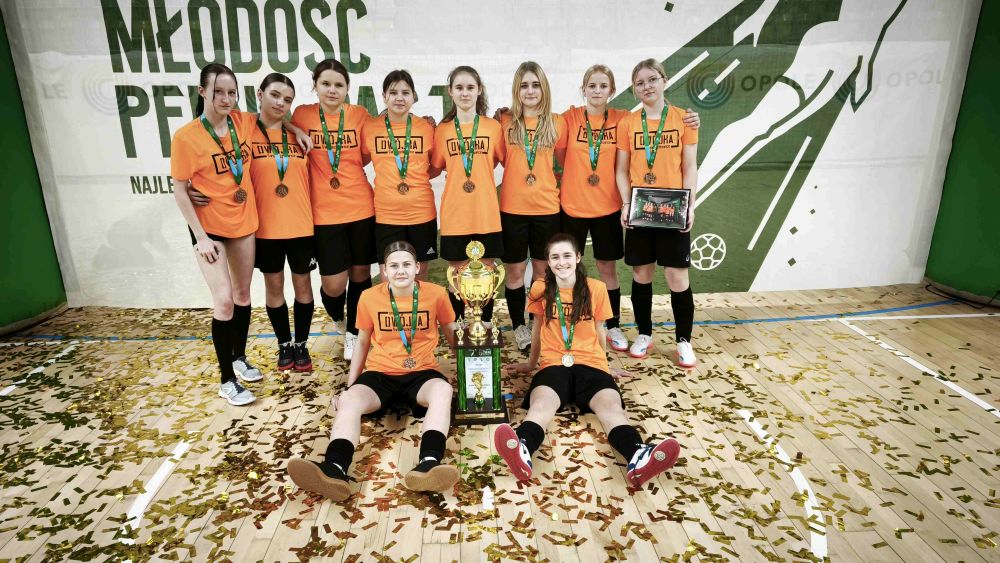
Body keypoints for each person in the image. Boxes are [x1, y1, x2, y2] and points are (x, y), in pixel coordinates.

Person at [494, 233, 680, 487]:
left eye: (567, 255)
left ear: (578, 257)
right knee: (540, 407)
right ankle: (522, 447)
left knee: (612, 410)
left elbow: (600, 330)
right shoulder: (540, 288)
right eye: (555, 257)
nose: (561, 262)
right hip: (554, 364)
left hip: (591, 364)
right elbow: (537, 329)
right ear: (548, 261)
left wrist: (605, 366)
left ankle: (638, 456)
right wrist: (531, 364)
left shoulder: (597, 288)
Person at [286, 241, 461, 500]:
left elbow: (453, 336)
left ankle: (429, 463)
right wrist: (350, 386)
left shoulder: (436, 294)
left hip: (422, 373)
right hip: (380, 374)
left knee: (443, 391)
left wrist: (469, 375)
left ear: (417, 267)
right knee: (349, 400)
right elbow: (362, 343)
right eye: (394, 266)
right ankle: (334, 468)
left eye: (406, 264)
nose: (400, 270)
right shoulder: (369, 297)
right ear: (384, 270)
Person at [170, 63, 259, 405]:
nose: (226, 98)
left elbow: (277, 117)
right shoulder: (186, 137)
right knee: (223, 300)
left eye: (231, 92)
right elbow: (180, 190)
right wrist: (201, 237)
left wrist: (297, 129)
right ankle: (226, 380)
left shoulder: (243, 122)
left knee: (242, 294)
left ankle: (239, 357)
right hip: (209, 229)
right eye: (218, 91)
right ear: (202, 91)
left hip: (243, 221)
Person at [292, 59, 377, 361]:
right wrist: (292, 128)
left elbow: (367, 154)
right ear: (315, 86)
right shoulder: (302, 115)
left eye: (339, 85)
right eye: (325, 84)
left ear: (347, 88)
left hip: (361, 207)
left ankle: (354, 333)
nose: (332, 90)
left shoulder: (360, 115)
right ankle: (338, 316)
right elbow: (276, 123)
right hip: (324, 213)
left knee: (361, 273)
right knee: (333, 284)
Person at [615, 59, 699, 366]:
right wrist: (626, 204)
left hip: (673, 208)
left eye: (652, 79)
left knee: (677, 277)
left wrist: (690, 205)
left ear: (665, 80)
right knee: (642, 274)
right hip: (641, 208)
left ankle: (684, 340)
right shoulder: (628, 123)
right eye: (640, 83)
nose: (647, 86)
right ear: (634, 89)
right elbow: (621, 170)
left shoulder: (684, 120)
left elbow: (690, 168)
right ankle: (644, 334)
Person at [498, 62, 567, 353]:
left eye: (535, 85)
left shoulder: (557, 123)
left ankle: (537, 323)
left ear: (544, 88)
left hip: (547, 209)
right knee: (515, 272)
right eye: (524, 85)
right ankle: (519, 326)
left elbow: (565, 162)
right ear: (517, 90)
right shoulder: (504, 122)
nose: (530, 91)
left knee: (541, 272)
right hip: (512, 209)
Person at [429, 66, 506, 322]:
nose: (465, 93)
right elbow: (433, 167)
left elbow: (507, 160)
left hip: (485, 212)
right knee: (457, 273)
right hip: (455, 213)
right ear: (450, 92)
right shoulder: (442, 130)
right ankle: (459, 328)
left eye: (470, 87)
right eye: (459, 88)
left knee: (487, 272)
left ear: (479, 90)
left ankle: (485, 325)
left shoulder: (493, 127)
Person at [362, 70, 441, 278]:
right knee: (388, 275)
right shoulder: (370, 128)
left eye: (405, 93)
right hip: (386, 214)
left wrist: (417, 177)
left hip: (421, 212)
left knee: (420, 273)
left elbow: (435, 166)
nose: (399, 98)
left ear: (413, 96)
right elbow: (359, 159)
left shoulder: (426, 128)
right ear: (384, 96)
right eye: (393, 92)